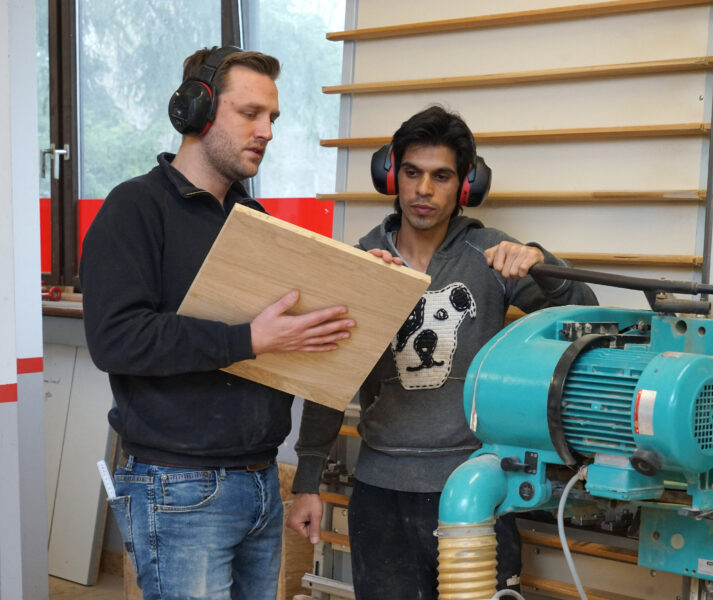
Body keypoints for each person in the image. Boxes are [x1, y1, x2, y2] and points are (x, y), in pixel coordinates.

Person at [286, 105, 598, 599]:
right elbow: (329, 378)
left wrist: (542, 263)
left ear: (466, 184)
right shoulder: (361, 261)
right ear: (391, 174)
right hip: (380, 494)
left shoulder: (490, 255)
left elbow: (585, 313)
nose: (423, 191)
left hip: (476, 492)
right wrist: (307, 482)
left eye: (441, 176)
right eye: (412, 173)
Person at [80, 46, 356, 600]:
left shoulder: (251, 219)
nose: (267, 131)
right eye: (250, 113)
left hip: (257, 479)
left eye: (273, 118)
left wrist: (363, 287)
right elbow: (116, 339)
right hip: (178, 486)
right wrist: (248, 339)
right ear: (196, 110)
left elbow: (291, 335)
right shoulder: (134, 208)